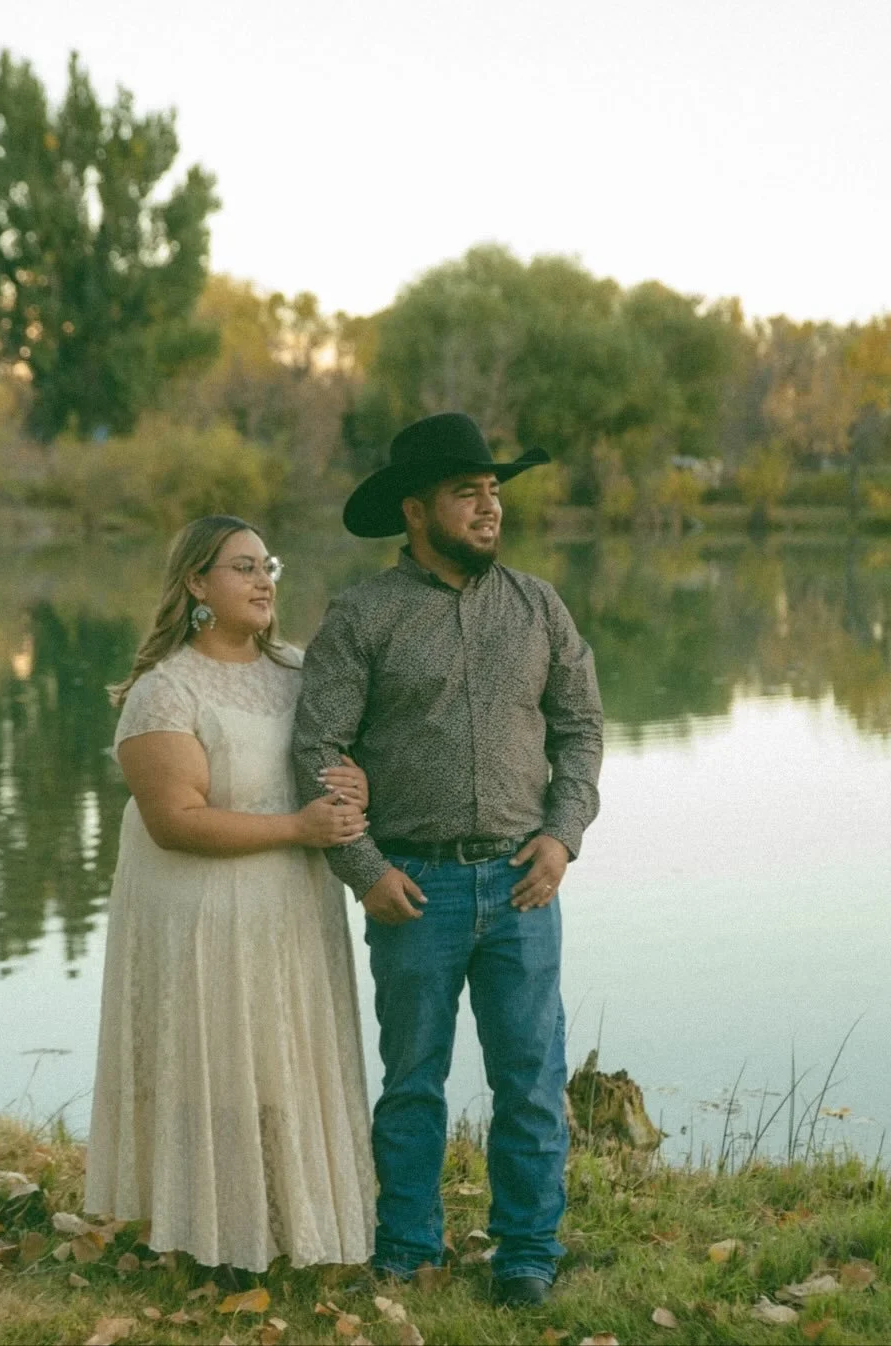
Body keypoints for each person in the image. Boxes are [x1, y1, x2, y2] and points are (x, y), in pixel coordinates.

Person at [292, 413, 604, 1306]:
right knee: (413, 1084)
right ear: (416, 510)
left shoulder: (540, 605)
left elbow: (581, 730)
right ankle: (409, 1247)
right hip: (411, 887)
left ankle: (528, 1254)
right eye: (467, 493)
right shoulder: (362, 617)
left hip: (524, 882)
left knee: (532, 1083)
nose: (488, 508)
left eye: (494, 492)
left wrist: (562, 835)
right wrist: (364, 869)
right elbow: (318, 747)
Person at [84, 515, 375, 1274]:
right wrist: (300, 826)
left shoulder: (301, 672)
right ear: (196, 584)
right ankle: (209, 1242)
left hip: (291, 908)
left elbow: (340, 763)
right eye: (243, 567)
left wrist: (357, 783)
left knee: (282, 1063)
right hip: (201, 911)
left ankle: (292, 1230)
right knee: (212, 1067)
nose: (263, 580)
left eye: (267, 565)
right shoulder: (164, 691)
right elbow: (174, 820)